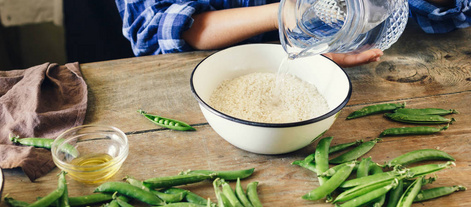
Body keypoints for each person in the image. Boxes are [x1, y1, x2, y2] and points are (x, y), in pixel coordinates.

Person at [114, 0, 470, 67]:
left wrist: (321, 41)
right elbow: (158, 27)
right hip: (191, 81)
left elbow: (448, 13)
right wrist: (283, 13)